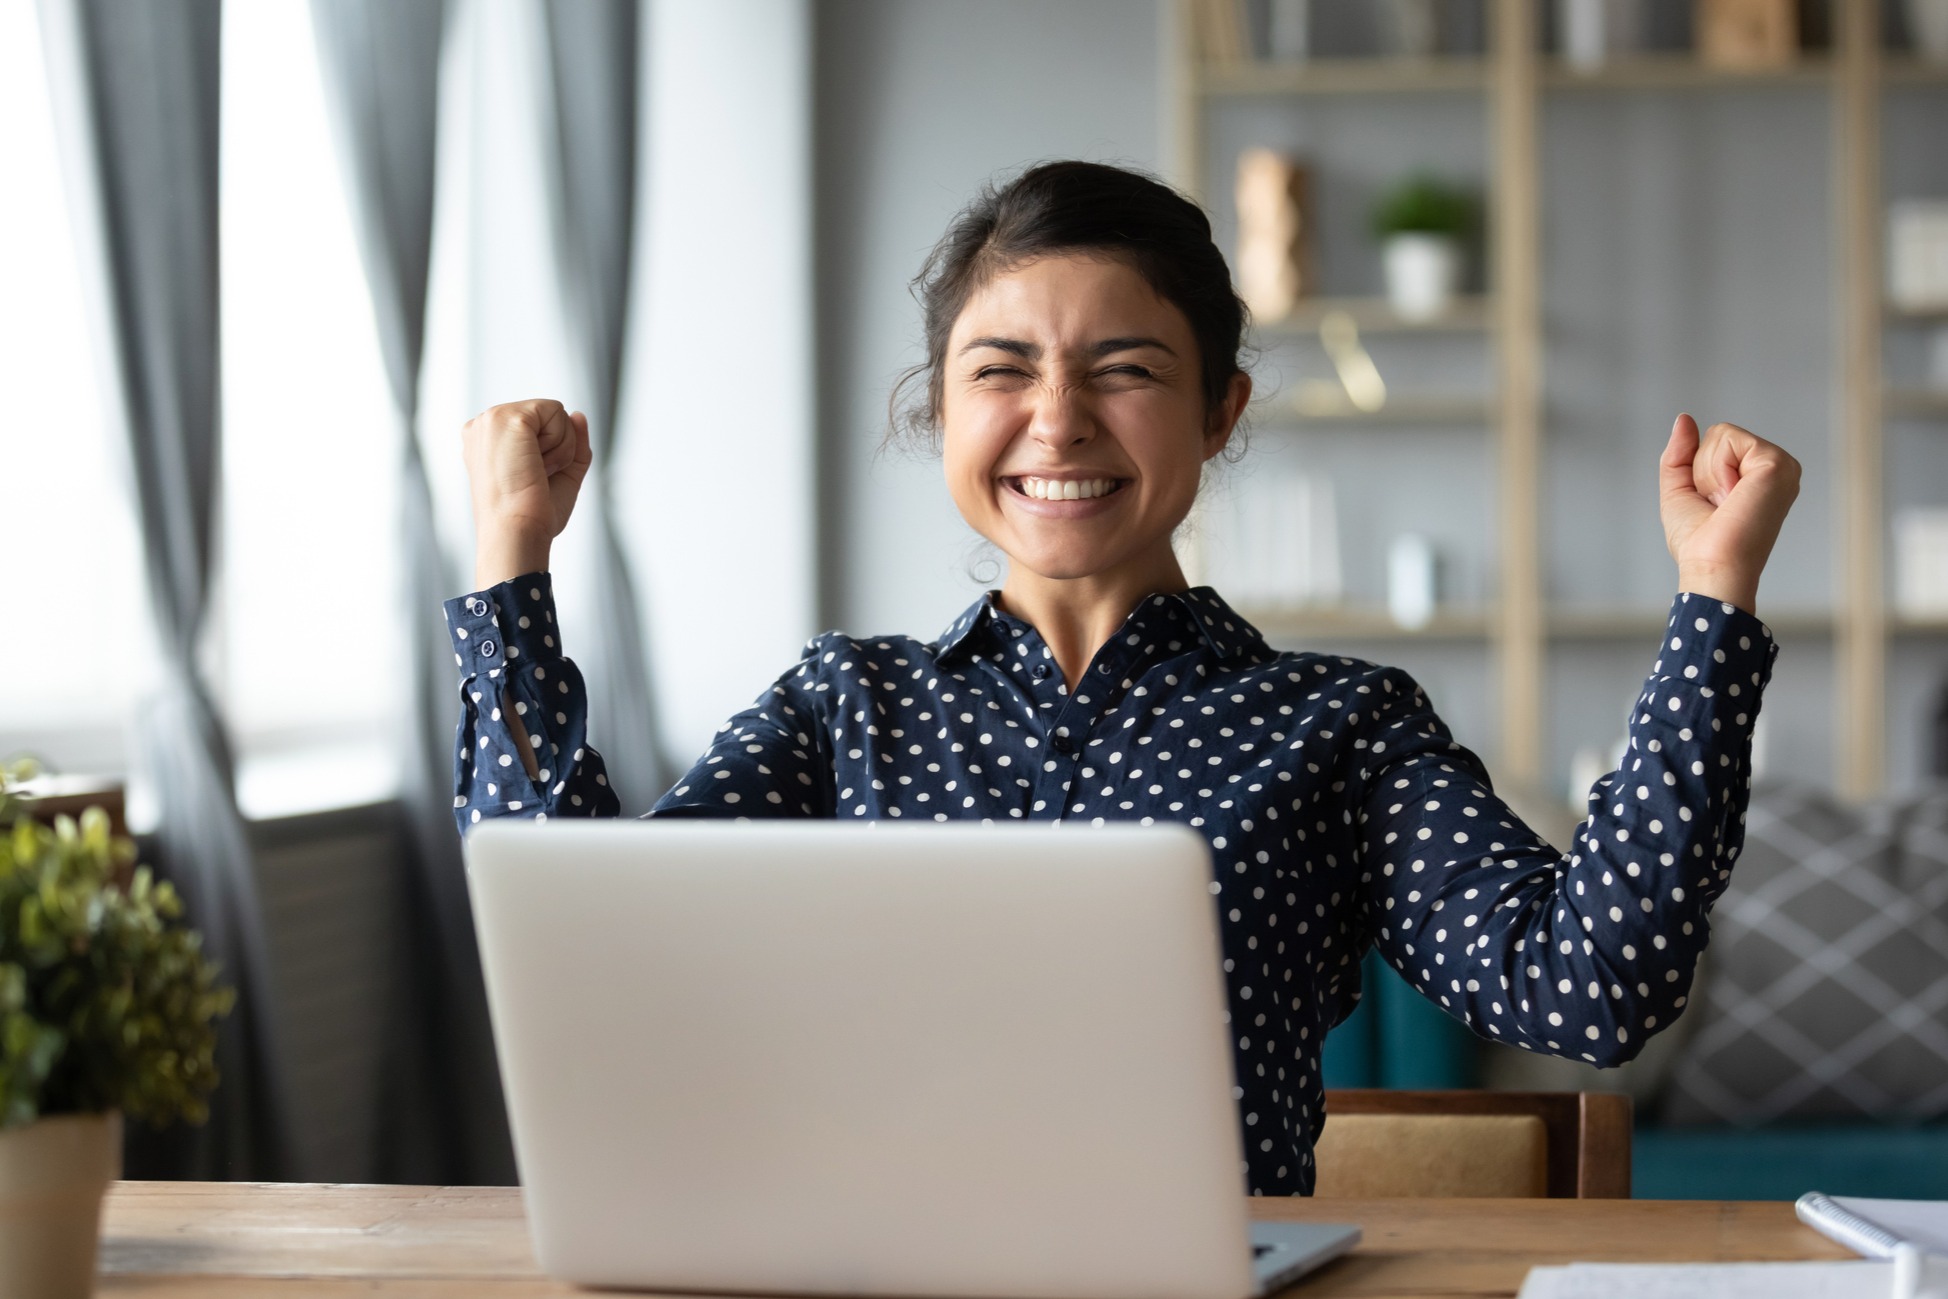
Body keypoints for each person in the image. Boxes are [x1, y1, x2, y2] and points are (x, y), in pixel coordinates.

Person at [444, 161, 1800, 1195]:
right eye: (1003, 371)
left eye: (1125, 369)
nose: (1059, 420)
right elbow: (594, 957)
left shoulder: (1340, 726)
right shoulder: (843, 707)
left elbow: (1593, 987)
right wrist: (512, 566)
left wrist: (1713, 603)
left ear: (1221, 408)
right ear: (943, 409)